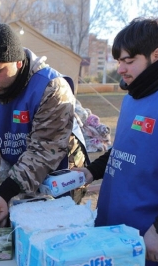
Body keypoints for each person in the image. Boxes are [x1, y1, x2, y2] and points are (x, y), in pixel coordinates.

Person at [0, 24, 88, 229]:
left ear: (19, 62)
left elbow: (44, 151)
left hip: (60, 171)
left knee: (52, 232)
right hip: (21, 168)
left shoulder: (51, 88)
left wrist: (5, 192)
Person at [74, 17, 158, 265]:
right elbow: (123, 150)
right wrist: (91, 172)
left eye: (129, 61)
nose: (120, 69)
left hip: (145, 237)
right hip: (111, 228)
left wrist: (156, 229)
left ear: (155, 55)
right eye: (119, 61)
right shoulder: (131, 98)